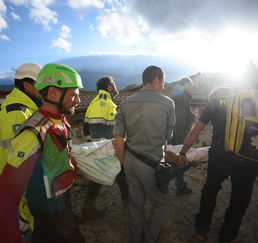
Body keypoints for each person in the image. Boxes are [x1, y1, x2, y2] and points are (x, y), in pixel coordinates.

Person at [0, 63, 84, 243]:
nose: (78, 101)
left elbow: (57, 153)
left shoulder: (60, 121)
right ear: (53, 93)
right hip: (47, 209)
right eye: (73, 94)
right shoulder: (35, 131)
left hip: (61, 200)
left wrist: (72, 165)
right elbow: (7, 191)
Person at [177, 84, 258, 243]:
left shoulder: (214, 105)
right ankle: (228, 235)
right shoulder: (247, 104)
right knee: (241, 197)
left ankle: (202, 229)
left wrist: (182, 153)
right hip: (249, 159)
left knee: (210, 190)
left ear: (214, 96)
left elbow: (195, 132)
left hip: (221, 157)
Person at [114, 65, 175, 243]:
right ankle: (149, 238)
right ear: (156, 80)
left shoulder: (125, 103)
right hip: (152, 162)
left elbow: (118, 138)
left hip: (131, 159)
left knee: (135, 203)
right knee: (161, 203)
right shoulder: (168, 103)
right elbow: (167, 136)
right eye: (163, 82)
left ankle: (136, 237)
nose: (163, 86)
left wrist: (124, 162)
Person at [0, 62, 42, 232]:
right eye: (40, 86)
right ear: (27, 85)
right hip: (20, 182)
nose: (43, 91)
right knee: (38, 222)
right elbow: (19, 157)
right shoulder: (17, 114)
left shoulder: (25, 109)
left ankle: (23, 219)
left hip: (18, 181)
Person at [82, 76, 128, 220]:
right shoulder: (103, 103)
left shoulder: (96, 102)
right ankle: (87, 210)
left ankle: (128, 202)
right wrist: (108, 149)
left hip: (103, 148)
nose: (116, 87)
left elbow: (85, 128)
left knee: (120, 174)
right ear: (109, 86)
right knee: (100, 178)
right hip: (105, 149)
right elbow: (100, 129)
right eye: (114, 84)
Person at [169, 77, 195, 196]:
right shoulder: (182, 97)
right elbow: (179, 119)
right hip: (177, 135)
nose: (192, 87)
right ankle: (178, 185)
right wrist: (181, 139)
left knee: (174, 159)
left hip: (173, 133)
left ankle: (178, 183)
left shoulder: (178, 95)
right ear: (185, 85)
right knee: (178, 159)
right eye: (191, 85)